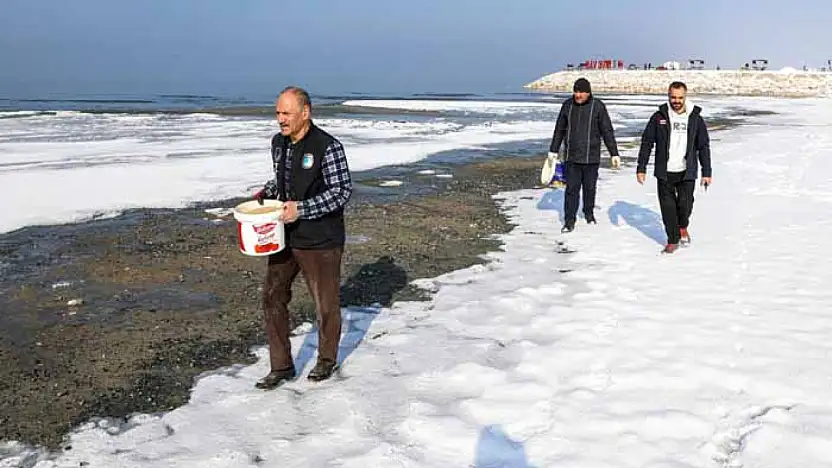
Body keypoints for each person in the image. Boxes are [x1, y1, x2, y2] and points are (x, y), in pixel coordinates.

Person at [252, 86, 353, 389]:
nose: (280, 120)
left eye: (286, 113)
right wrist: (266, 193)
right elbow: (283, 178)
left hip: (322, 240)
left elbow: (341, 192)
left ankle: (326, 361)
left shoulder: (328, 146)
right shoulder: (278, 144)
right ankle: (281, 366)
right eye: (277, 113)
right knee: (272, 296)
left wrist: (303, 209)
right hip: (284, 235)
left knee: (325, 304)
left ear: (305, 113)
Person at [636, 81, 712, 254]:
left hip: (687, 170)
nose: (676, 101)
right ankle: (672, 239)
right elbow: (647, 142)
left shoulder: (695, 118)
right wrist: (641, 167)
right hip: (665, 171)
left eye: (680, 98)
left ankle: (683, 225)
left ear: (685, 97)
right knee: (668, 208)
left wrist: (706, 172)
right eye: (673, 97)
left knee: (685, 204)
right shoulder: (659, 117)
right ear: (668, 96)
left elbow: (703, 146)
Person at [548, 77, 621, 233]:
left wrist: (614, 153)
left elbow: (607, 131)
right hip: (572, 157)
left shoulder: (598, 106)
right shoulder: (567, 106)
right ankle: (569, 221)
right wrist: (553, 150)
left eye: (581, 92)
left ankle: (589, 213)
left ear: (588, 92)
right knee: (571, 190)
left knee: (589, 188)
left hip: (591, 157)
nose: (578, 95)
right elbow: (559, 130)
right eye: (576, 91)